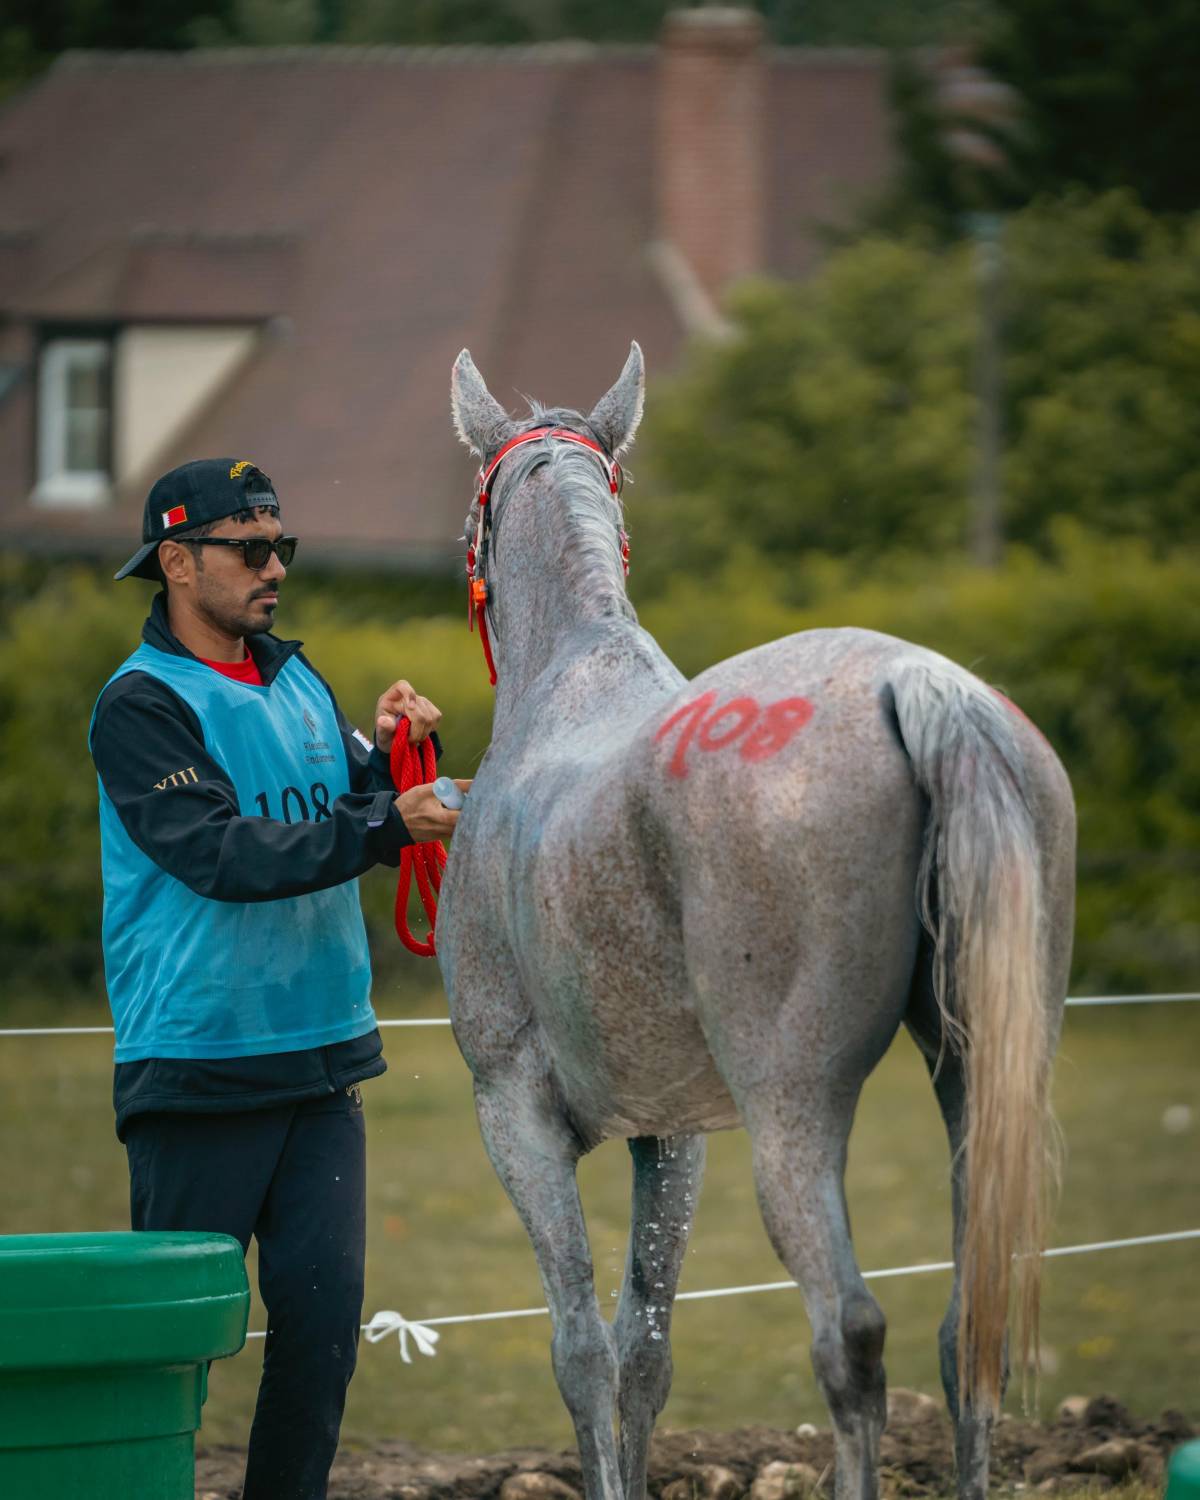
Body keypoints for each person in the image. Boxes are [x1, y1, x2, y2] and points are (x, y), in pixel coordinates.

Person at [88, 457, 466, 1500]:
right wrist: (386, 817)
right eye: (249, 549)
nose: (274, 570)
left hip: (322, 1060)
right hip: (199, 1065)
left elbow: (361, 814)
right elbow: (224, 854)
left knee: (321, 1342)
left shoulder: (300, 679)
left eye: (280, 547)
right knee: (170, 1352)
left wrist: (398, 757)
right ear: (176, 560)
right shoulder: (141, 706)